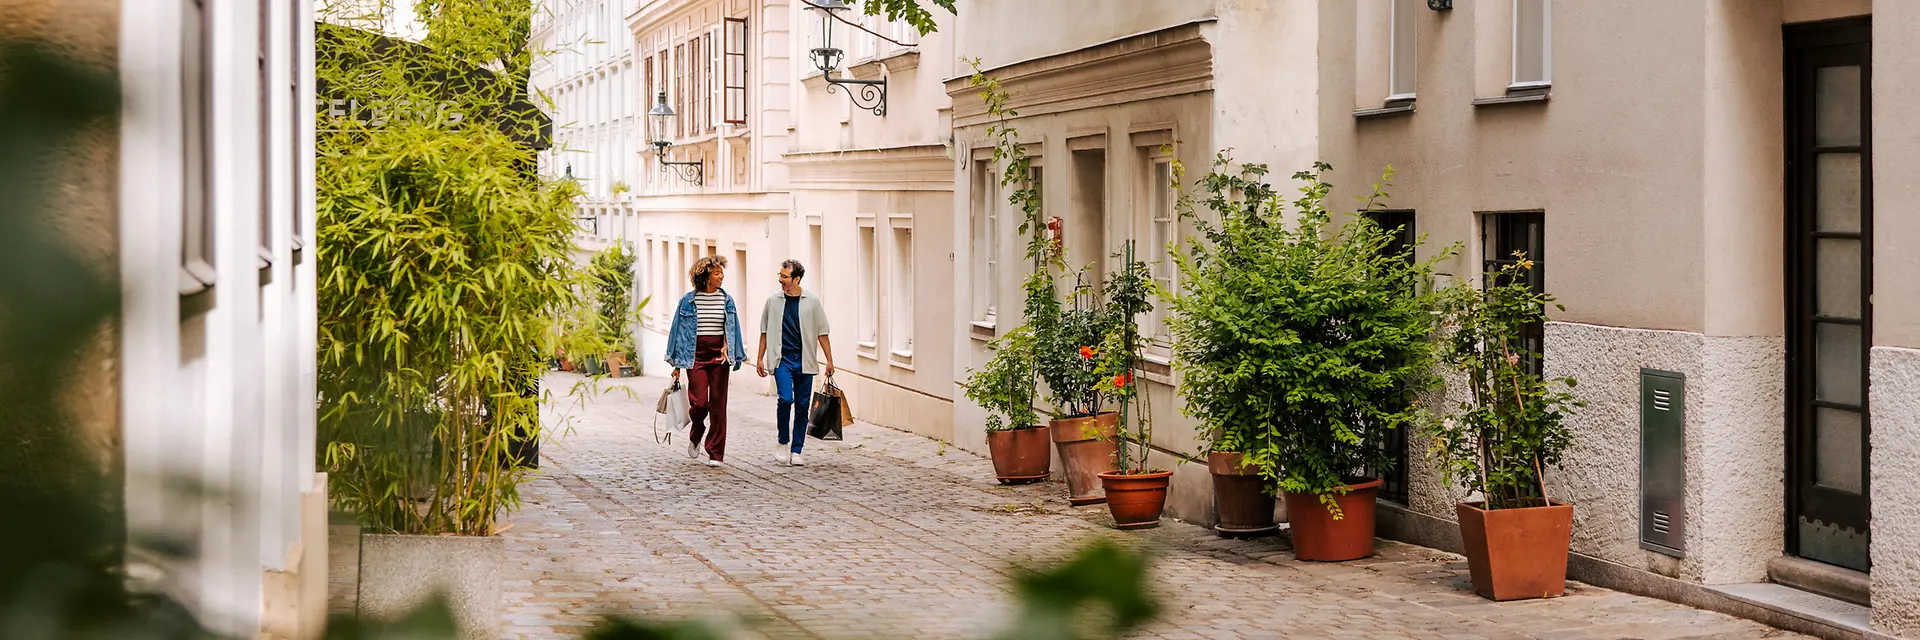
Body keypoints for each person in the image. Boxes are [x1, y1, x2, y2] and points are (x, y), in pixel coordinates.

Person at [666, 256, 746, 467]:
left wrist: (730, 346)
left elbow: (733, 327)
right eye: (717, 273)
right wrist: (676, 365)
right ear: (706, 277)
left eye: (721, 273)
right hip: (695, 355)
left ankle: (715, 453)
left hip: (719, 356)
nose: (721, 277)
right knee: (699, 402)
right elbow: (678, 332)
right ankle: (697, 431)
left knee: (719, 405)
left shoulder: (726, 300)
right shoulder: (688, 301)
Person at [755, 260, 835, 466]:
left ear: (797, 279)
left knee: (801, 406)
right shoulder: (773, 301)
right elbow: (764, 331)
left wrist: (829, 360)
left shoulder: (812, 302)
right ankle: (783, 441)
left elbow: (822, 333)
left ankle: (797, 450)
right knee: (785, 399)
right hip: (782, 359)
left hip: (805, 361)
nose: (780, 280)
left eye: (784, 277)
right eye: (780, 275)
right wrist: (759, 358)